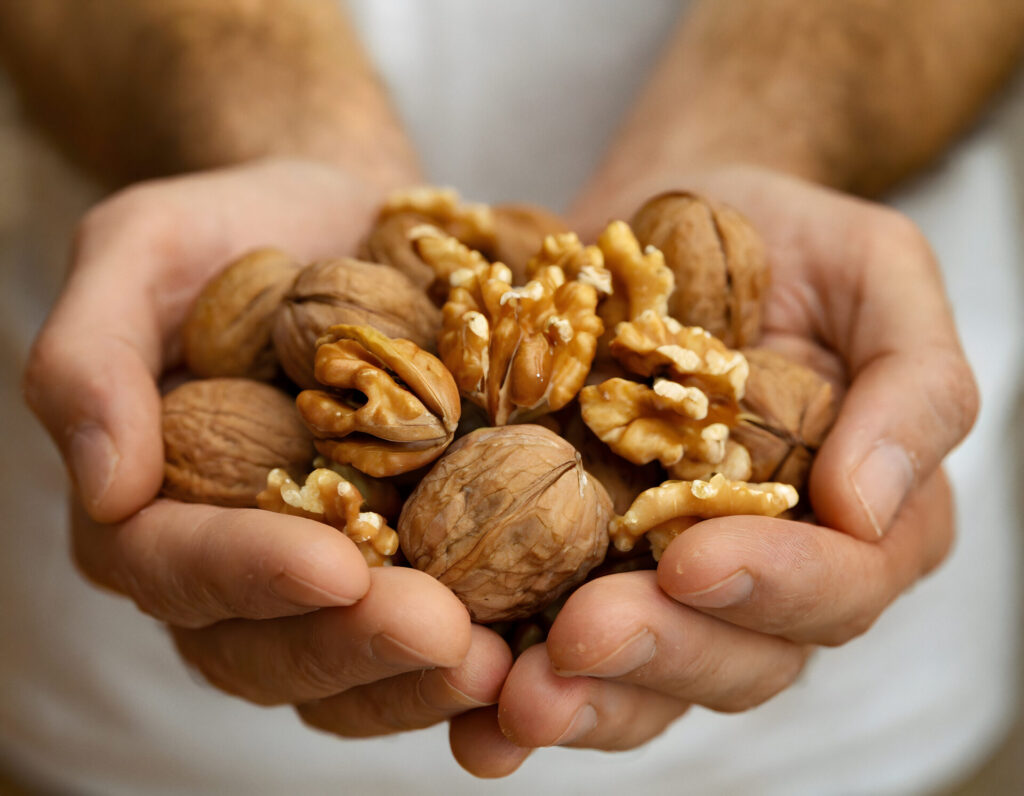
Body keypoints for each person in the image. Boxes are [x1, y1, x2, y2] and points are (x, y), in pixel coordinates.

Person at [0, 0, 1022, 792]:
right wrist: (255, 126)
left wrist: (767, 130)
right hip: (134, 735)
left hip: (855, 750)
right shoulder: (375, 354)